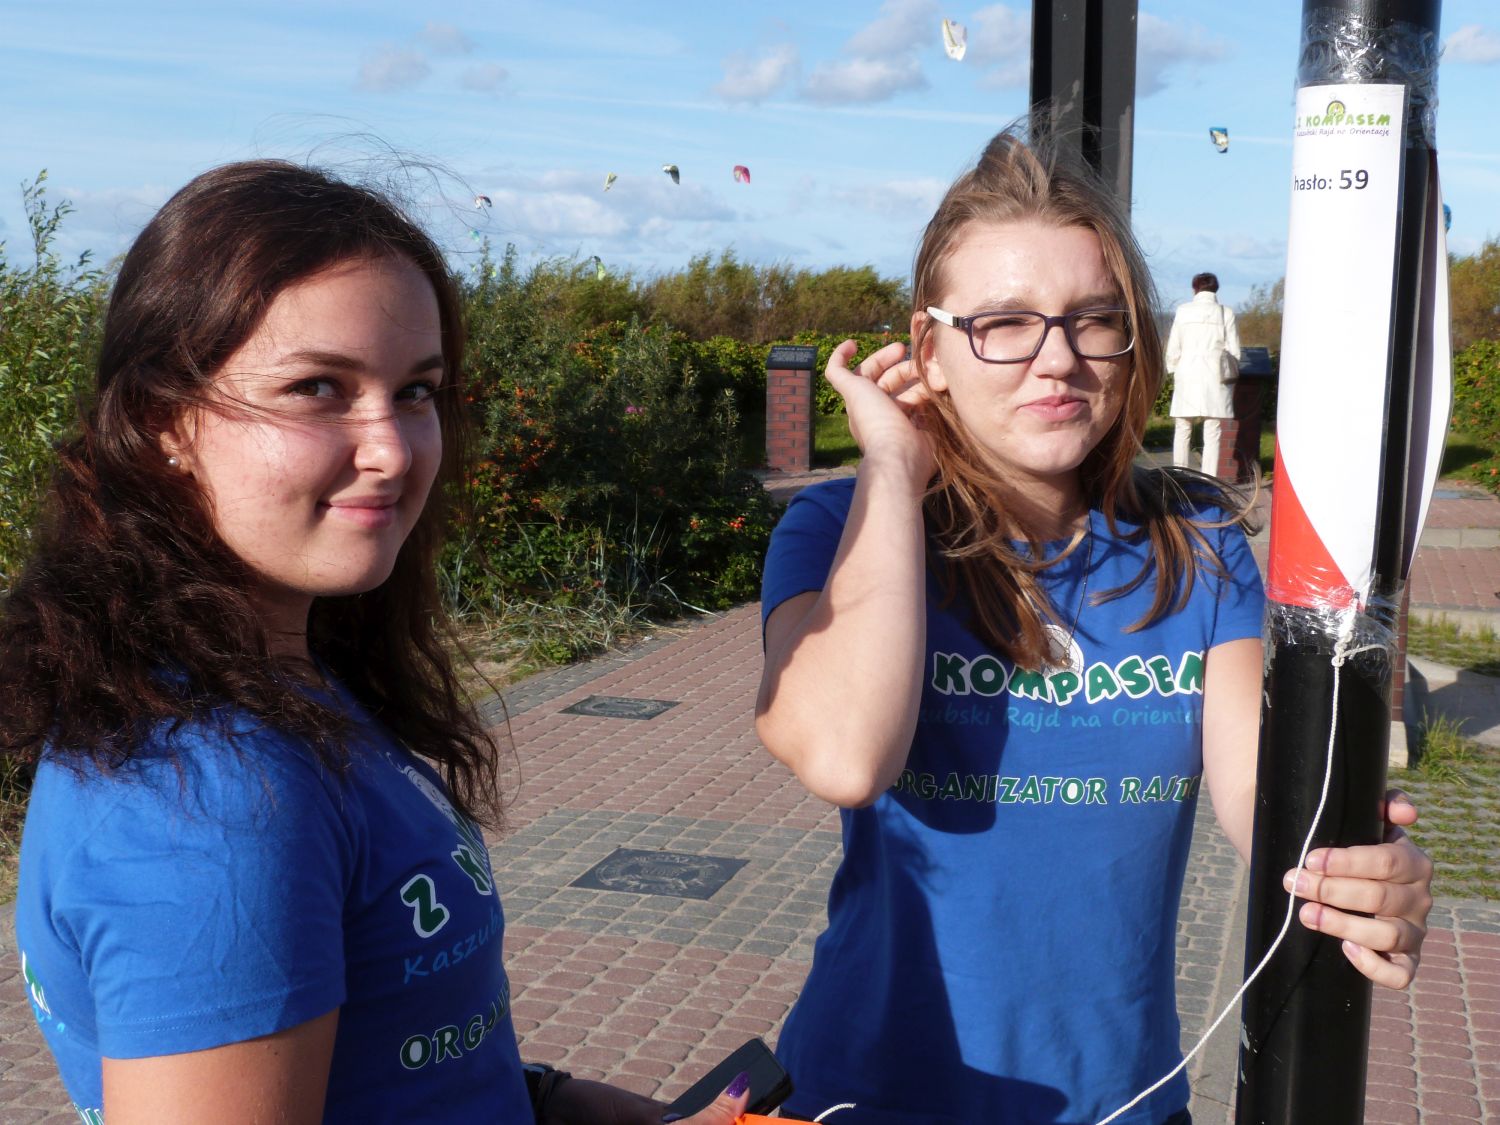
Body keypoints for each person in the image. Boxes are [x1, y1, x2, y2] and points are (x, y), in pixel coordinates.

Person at [1, 161, 751, 1125]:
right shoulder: (210, 796)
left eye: (417, 390)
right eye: (318, 387)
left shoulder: (280, 676)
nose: (393, 449)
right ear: (163, 422)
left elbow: (397, 1065)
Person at [754, 131, 1432, 1125]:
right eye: (1004, 325)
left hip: (1121, 1103)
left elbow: (1264, 793)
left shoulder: (1197, 544)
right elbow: (845, 755)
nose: (1059, 360)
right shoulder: (839, 528)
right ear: (929, 350)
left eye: (1095, 320)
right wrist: (893, 467)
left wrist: (1358, 875)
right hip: (863, 1100)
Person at [1165, 272, 1240, 476]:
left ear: (1195, 289)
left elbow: (1173, 348)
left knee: (1182, 428)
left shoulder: (1183, 311)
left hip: (1187, 374)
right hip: (1216, 377)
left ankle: (1180, 476)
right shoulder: (1226, 313)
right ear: (1216, 289)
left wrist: (1174, 369)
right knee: (1213, 431)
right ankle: (1209, 479)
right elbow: (1234, 352)